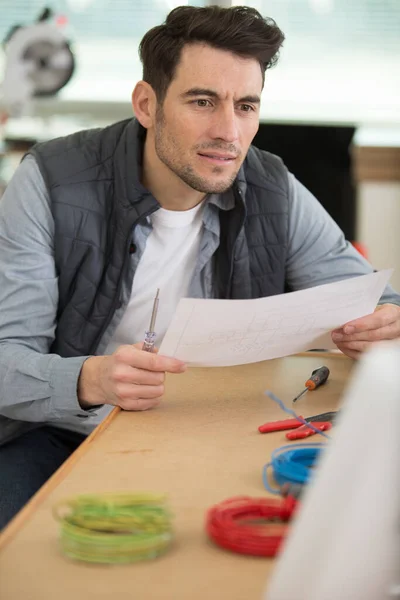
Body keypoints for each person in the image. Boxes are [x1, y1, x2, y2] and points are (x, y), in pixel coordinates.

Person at [0, 5, 399, 530]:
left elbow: (376, 302)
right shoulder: (50, 180)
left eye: (247, 106)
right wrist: (89, 378)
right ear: (147, 104)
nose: (229, 132)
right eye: (203, 101)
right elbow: (7, 363)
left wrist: (385, 325)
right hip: (61, 431)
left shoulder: (272, 185)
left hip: (216, 422)